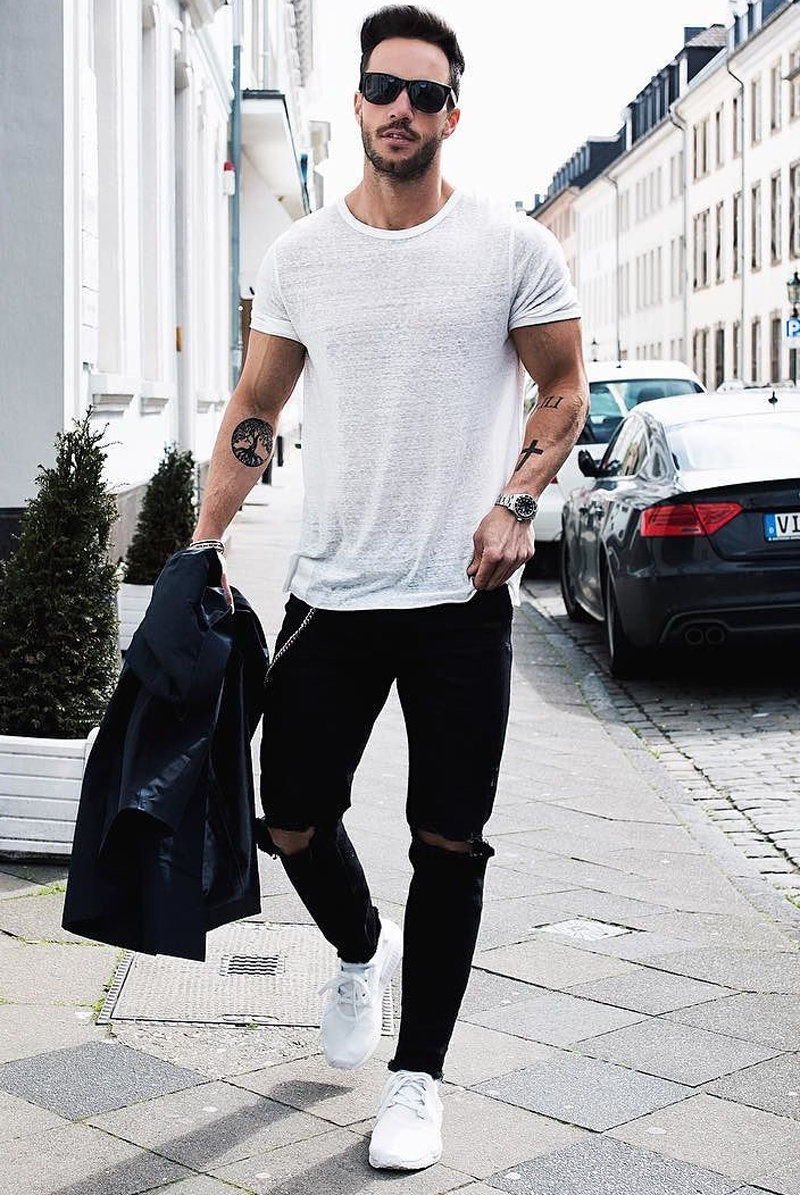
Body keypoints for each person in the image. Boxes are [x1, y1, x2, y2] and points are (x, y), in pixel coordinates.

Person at [192, 3, 587, 1172]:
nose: (400, 108)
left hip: (458, 600)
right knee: (287, 818)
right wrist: (200, 543)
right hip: (332, 592)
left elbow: (562, 390)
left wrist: (516, 498)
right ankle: (361, 949)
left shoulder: (511, 247)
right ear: (358, 102)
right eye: (382, 88)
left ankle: (417, 1078)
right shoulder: (301, 257)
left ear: (450, 115)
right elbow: (255, 408)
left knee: (448, 842)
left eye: (424, 93)